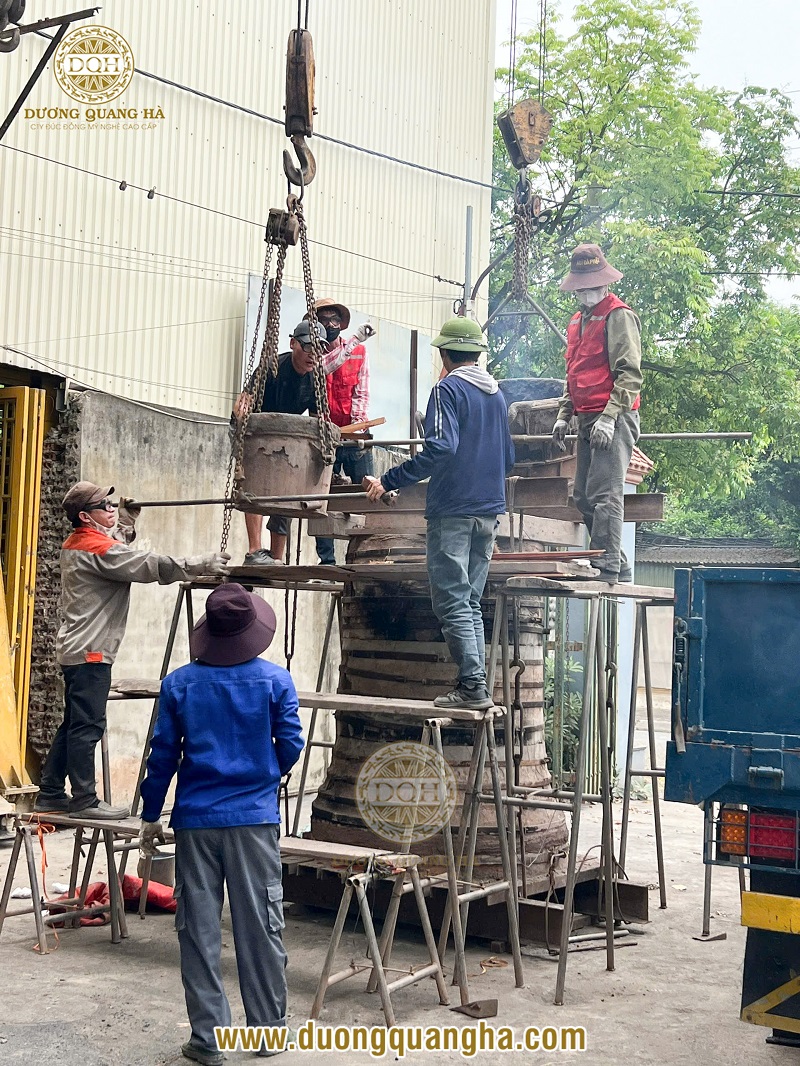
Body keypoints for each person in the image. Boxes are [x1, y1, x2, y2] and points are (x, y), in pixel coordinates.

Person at [138, 583, 303, 1066]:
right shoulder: (275, 681)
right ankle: (268, 1031)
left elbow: (162, 756)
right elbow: (292, 743)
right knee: (260, 926)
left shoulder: (179, 684)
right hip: (254, 821)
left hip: (196, 821)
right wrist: (261, 774)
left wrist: (150, 813)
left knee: (198, 930)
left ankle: (209, 1041)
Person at [34, 481, 229, 819]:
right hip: (91, 651)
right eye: (104, 506)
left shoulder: (81, 542)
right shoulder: (97, 549)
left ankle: (50, 792)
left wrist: (125, 522)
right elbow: (144, 564)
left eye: (112, 503)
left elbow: (117, 553)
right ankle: (84, 800)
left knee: (74, 724)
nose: (111, 507)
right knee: (88, 726)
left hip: (79, 648)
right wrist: (200, 563)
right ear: (85, 516)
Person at [364, 317, 514, 711]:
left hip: (454, 511)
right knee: (469, 601)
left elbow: (441, 448)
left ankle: (473, 687)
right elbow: (509, 457)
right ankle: (474, 686)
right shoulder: (497, 395)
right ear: (476, 353)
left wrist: (390, 479)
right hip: (489, 512)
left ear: (445, 354)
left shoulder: (447, 390)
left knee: (451, 602)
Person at [551, 243, 642, 583]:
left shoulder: (619, 316)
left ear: (603, 283)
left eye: (590, 285)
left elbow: (630, 375)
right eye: (581, 287)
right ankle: (617, 560)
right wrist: (564, 414)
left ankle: (607, 564)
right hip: (587, 416)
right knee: (584, 496)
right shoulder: (578, 321)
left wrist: (609, 416)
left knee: (605, 494)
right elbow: (574, 372)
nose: (585, 292)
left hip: (613, 417)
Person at [306, 298, 376, 566]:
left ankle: (364, 554)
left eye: (334, 319)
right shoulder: (312, 355)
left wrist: (358, 428)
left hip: (352, 435)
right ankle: (327, 561)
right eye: (323, 320)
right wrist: (354, 341)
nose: (330, 324)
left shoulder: (359, 353)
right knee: (322, 500)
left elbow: (361, 393)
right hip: (325, 436)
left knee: (367, 493)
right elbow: (325, 367)